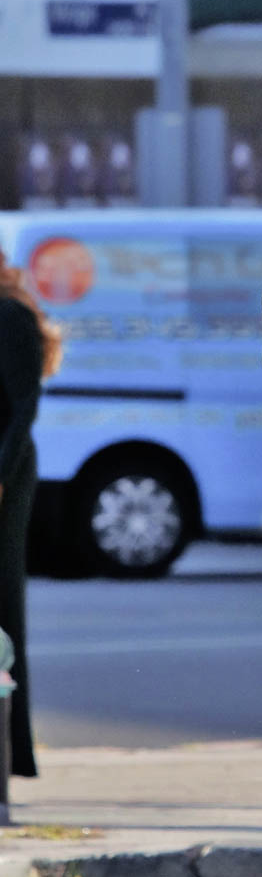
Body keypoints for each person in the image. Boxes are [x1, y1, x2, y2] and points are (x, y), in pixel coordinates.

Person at [0, 254, 62, 778]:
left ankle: (9, 754)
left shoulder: (10, 315)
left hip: (6, 474)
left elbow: (24, 405)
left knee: (3, 611)